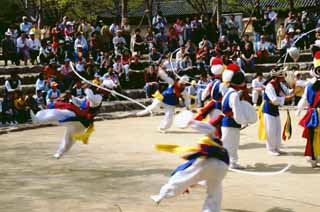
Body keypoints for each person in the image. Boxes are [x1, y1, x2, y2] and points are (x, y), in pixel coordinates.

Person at [150, 124, 229, 212]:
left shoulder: (206, 141)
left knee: (182, 177)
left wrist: (191, 156)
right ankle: (210, 209)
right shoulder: (220, 146)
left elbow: (187, 168)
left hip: (209, 164)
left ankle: (162, 195)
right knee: (215, 191)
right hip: (223, 167)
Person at [31, 87, 103, 159]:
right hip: (76, 116)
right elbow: (80, 102)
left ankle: (59, 153)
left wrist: (86, 89)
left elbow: (92, 99)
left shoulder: (98, 97)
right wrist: (72, 97)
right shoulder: (88, 97)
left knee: (69, 139)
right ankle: (38, 119)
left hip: (82, 122)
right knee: (58, 113)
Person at [220, 64, 257, 169]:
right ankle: (227, 163)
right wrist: (244, 121)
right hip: (231, 122)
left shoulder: (228, 92)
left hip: (228, 121)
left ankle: (232, 162)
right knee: (230, 144)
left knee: (231, 144)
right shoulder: (234, 95)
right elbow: (237, 112)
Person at [261, 69, 294, 156]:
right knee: (270, 130)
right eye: (282, 76)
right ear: (278, 77)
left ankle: (276, 147)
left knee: (277, 129)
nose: (284, 77)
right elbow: (274, 99)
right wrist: (286, 99)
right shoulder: (269, 86)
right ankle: (270, 149)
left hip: (275, 110)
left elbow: (287, 92)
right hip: (268, 110)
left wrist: (295, 88)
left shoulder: (279, 84)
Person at [297, 60, 320, 168]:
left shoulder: (309, 87)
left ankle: (312, 157)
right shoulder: (309, 87)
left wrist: (299, 109)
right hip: (315, 114)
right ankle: (315, 156)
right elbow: (304, 99)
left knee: (312, 136)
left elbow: (304, 99)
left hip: (312, 114)